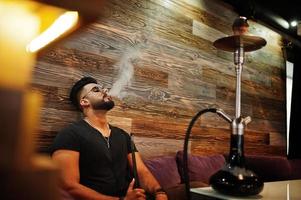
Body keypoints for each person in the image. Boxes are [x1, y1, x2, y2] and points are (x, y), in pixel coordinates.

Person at [51, 77, 168, 200]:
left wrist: (159, 193)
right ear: (84, 102)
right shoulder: (70, 134)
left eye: (103, 88)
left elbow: (141, 171)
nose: (105, 90)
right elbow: (69, 186)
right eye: (96, 90)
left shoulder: (122, 135)